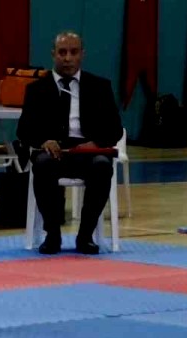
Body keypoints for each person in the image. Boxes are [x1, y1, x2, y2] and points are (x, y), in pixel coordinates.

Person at [17, 31, 123, 255]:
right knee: (43, 165)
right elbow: (24, 130)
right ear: (53, 54)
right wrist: (43, 140)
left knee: (103, 166)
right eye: (62, 52)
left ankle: (85, 235)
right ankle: (52, 234)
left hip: (88, 152)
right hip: (55, 152)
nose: (67, 58)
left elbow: (114, 129)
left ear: (82, 55)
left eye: (73, 52)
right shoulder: (36, 89)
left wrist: (95, 144)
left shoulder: (100, 86)